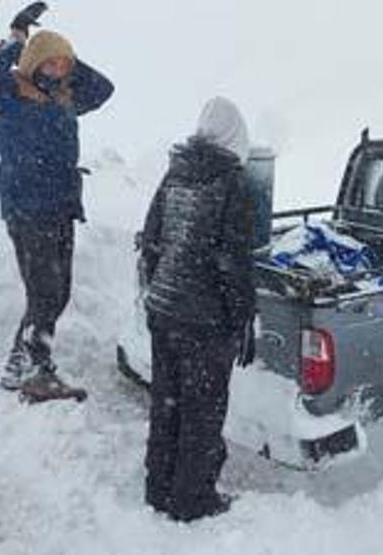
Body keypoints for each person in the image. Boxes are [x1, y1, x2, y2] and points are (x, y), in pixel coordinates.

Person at [0, 3, 115, 403]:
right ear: (32, 65)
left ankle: (20, 364)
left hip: (61, 206)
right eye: (48, 64)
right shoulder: (9, 97)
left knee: (57, 291)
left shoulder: (65, 100)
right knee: (45, 292)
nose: (57, 71)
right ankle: (37, 372)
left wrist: (63, 54)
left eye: (62, 65)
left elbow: (103, 89)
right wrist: (19, 39)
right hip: (27, 207)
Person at [138, 97, 257, 522]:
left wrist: (157, 290)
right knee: (202, 412)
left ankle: (158, 488)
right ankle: (193, 500)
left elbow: (150, 240)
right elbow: (233, 261)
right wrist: (242, 317)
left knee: (167, 404)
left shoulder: (177, 172)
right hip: (204, 321)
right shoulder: (233, 184)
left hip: (164, 310)